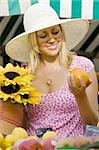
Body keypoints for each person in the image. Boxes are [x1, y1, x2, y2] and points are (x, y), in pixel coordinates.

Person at [5, 3, 99, 138]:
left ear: (62, 32)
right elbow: (19, 122)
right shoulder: (23, 75)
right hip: (34, 146)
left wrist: (81, 96)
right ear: (33, 41)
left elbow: (93, 124)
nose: (52, 39)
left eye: (55, 32)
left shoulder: (82, 66)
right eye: (43, 36)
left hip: (71, 147)